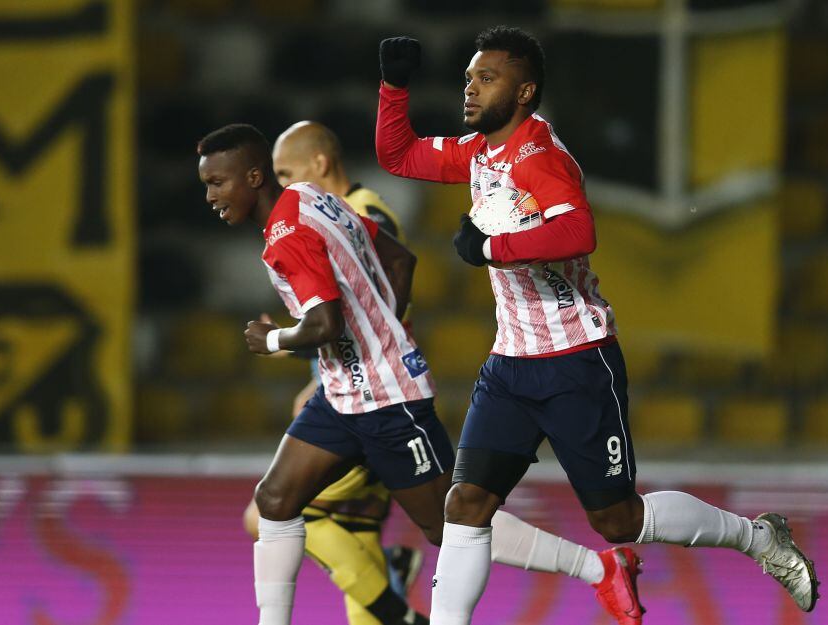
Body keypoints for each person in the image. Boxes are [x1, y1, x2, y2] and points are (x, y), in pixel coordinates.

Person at [374, 26, 820, 625]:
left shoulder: (541, 157)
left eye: (486, 78)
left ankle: (759, 539)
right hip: (509, 365)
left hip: (576, 361)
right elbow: (397, 155)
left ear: (525, 90)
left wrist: (491, 247)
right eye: (468, 79)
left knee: (617, 520)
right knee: (467, 504)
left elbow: (579, 231)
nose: (470, 89)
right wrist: (393, 88)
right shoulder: (478, 153)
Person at [197, 123, 647, 625]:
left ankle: (596, 566)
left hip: (390, 401)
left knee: (450, 525)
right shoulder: (309, 197)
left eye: (217, 183)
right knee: (274, 501)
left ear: (254, 177)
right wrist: (381, 321)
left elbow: (324, 321)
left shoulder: (287, 236)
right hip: (342, 395)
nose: (210, 196)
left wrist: (274, 339)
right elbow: (399, 257)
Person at [240, 120, 426, 625]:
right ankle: (390, 581)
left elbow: (365, 315)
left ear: (319, 164)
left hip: (371, 400)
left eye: (284, 172)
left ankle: (399, 608)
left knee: (267, 514)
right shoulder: (349, 208)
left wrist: (306, 360)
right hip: (361, 391)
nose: (278, 185)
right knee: (355, 528)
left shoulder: (361, 211)